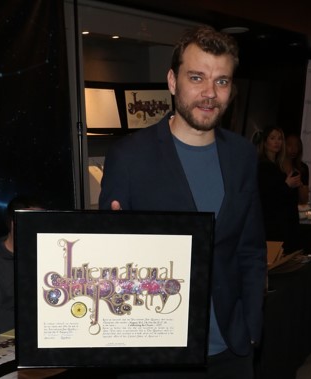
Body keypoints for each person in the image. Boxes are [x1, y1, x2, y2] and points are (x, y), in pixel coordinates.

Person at [99, 24, 267, 379]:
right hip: (156, 356)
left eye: (221, 81)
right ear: (173, 82)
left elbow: (250, 249)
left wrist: (252, 326)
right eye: (197, 77)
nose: (210, 93)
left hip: (231, 350)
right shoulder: (129, 157)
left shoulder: (242, 156)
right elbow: (109, 268)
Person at [0, 195, 43, 337]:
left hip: (40, 332)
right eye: (33, 221)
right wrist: (37, 315)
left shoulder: (45, 254)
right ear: (13, 223)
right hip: (8, 338)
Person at [257, 126, 302, 253]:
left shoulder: (278, 165)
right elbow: (266, 197)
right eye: (272, 138)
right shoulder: (263, 166)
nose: (277, 142)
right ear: (265, 142)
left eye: (280, 138)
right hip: (272, 226)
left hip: (283, 223)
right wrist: (287, 185)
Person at [284, 134, 310, 204]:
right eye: (290, 145)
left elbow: (304, 200)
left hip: (295, 210)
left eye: (297, 145)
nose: (294, 149)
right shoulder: (276, 166)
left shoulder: (303, 168)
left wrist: (300, 186)